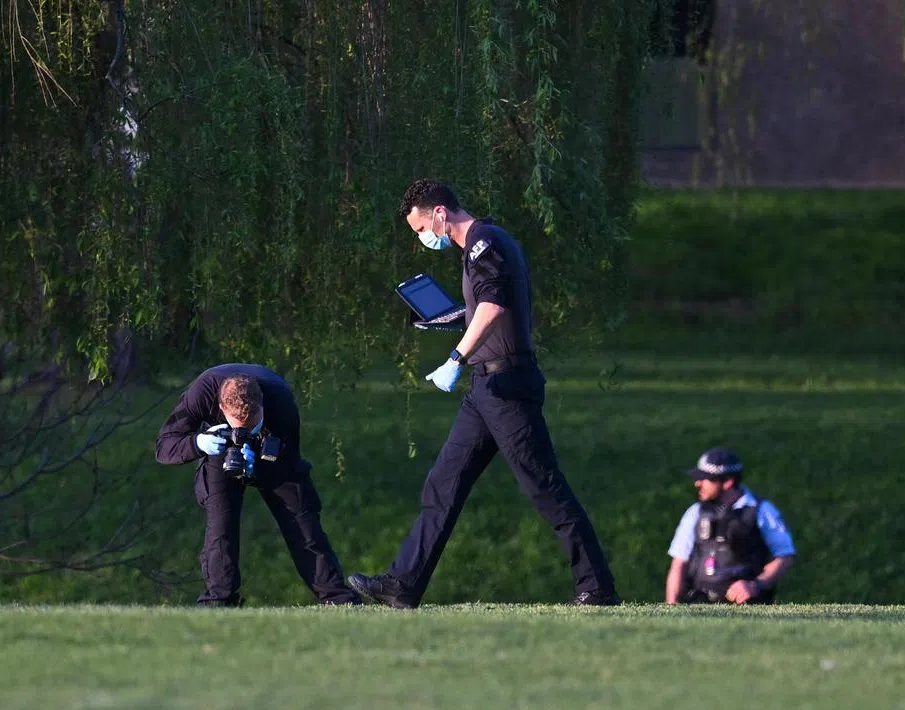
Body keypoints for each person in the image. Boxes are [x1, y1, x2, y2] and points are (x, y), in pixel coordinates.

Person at [346, 179, 620, 608]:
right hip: (485, 389)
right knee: (443, 484)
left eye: (420, 229)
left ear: (440, 213)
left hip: (508, 386)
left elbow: (494, 307)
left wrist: (455, 358)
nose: (422, 240)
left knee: (545, 487)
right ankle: (403, 585)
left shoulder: (483, 242)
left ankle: (597, 588)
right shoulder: (479, 246)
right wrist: (457, 320)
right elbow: (485, 309)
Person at [155, 364, 361, 606]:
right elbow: (164, 446)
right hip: (219, 448)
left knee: (301, 519)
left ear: (262, 404)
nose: (243, 432)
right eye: (237, 427)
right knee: (221, 523)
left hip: (273, 451)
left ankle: (337, 597)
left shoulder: (281, 401)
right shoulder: (202, 393)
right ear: (221, 408)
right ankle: (219, 601)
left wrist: (259, 466)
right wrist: (198, 442)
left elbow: (288, 458)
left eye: (251, 426)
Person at [665, 447, 796, 605]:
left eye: (706, 479)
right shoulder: (695, 512)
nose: (697, 484)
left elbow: (784, 555)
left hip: (747, 605)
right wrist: (672, 605)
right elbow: (679, 563)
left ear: (727, 482)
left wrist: (756, 585)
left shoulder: (762, 510)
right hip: (700, 603)